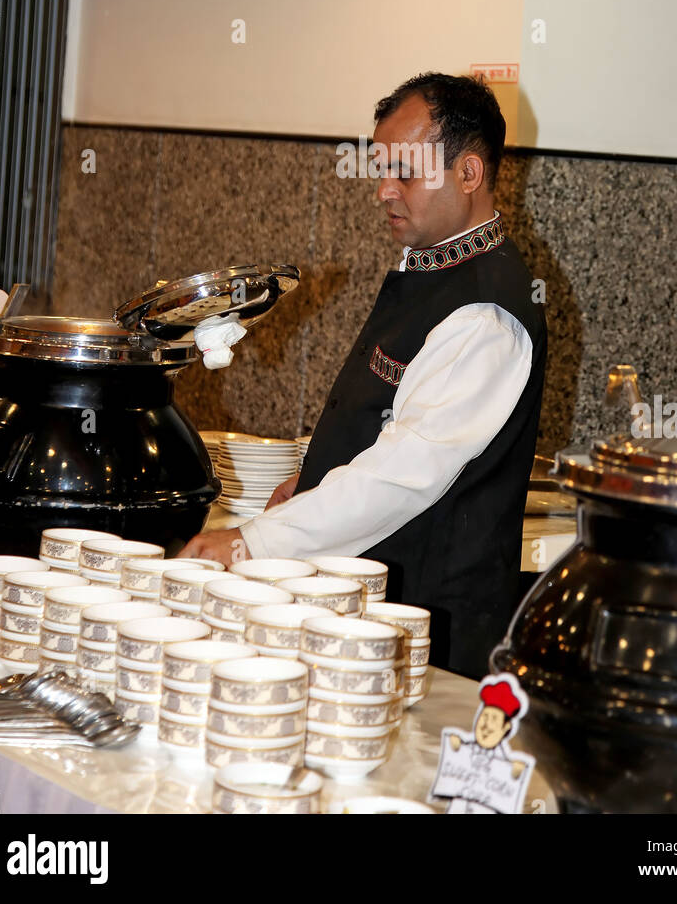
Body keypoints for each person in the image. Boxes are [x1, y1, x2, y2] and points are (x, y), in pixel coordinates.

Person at [181, 72, 547, 679]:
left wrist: (256, 542)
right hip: (370, 611)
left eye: (405, 171)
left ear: (470, 174)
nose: (384, 191)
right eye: (382, 170)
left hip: (428, 634)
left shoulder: (488, 310)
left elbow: (400, 477)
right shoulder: (432, 268)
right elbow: (385, 419)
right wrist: (314, 476)